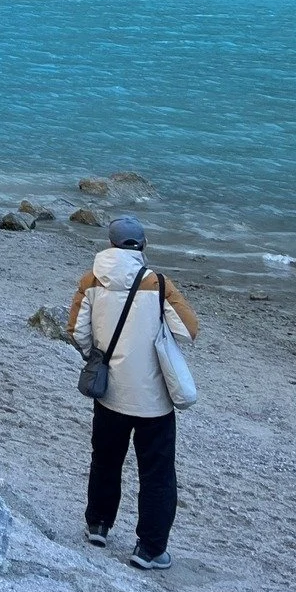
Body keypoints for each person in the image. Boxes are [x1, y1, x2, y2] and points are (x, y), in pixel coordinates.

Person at [69, 216, 200, 572]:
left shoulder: (92, 280)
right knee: (156, 474)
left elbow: (76, 332)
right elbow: (189, 331)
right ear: (142, 245)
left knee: (106, 460)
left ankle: (98, 524)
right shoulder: (157, 283)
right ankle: (150, 548)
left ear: (111, 244)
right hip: (153, 399)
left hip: (109, 391)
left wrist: (98, 353)